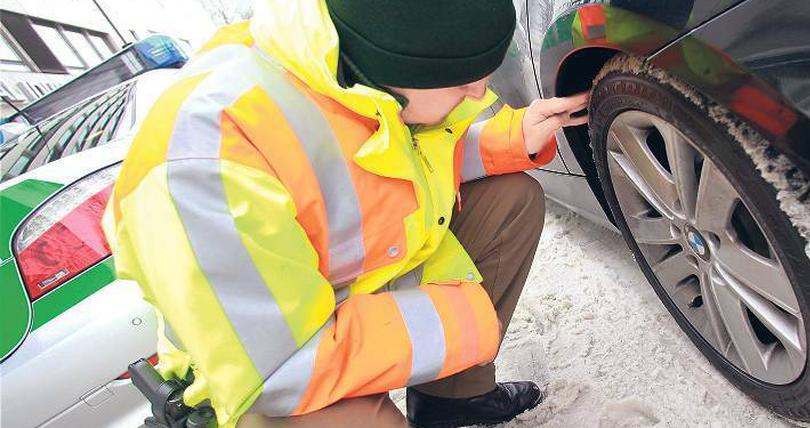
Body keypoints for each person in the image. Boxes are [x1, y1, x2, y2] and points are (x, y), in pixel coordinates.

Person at [104, 0, 588, 427]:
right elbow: (279, 367)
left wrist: (514, 136)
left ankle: (450, 401)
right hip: (264, 369)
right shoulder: (206, 156)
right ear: (392, 66)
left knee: (510, 198)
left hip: (342, 292)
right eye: (461, 80)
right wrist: (462, 321)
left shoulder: (355, 73)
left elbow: (402, 162)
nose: (479, 94)